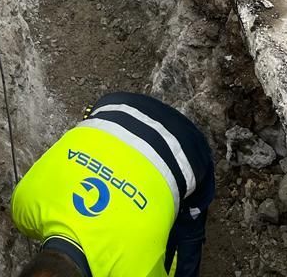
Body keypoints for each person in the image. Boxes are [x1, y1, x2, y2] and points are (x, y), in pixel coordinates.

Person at [11, 91, 215, 277]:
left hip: (185, 144)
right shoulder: (23, 204)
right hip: (114, 107)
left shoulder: (135, 270)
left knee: (185, 241)